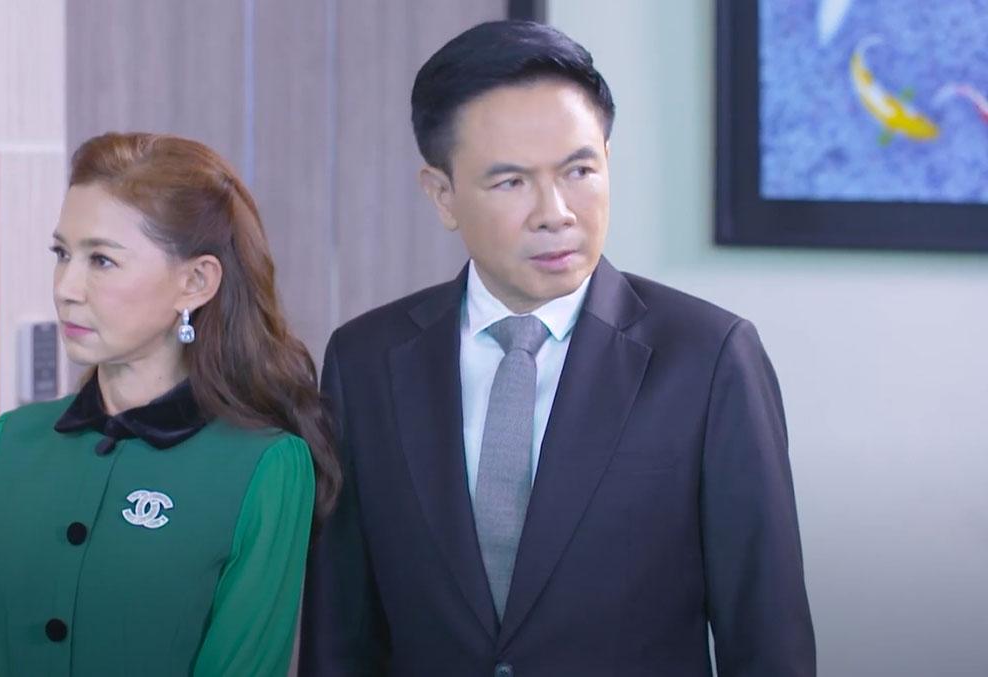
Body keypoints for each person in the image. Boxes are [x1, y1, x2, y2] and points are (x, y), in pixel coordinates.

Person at [300, 20, 815, 676]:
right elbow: (339, 636)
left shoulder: (710, 359)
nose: (556, 212)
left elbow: (767, 639)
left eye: (579, 170)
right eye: (511, 182)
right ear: (442, 195)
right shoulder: (365, 361)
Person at [0, 132, 340, 676]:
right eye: (62, 254)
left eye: (102, 260)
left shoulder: (265, 467)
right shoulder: (7, 445)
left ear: (195, 282)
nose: (66, 287)